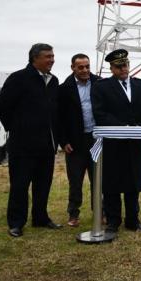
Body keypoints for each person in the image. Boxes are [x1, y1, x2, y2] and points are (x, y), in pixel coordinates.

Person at [0, 43, 62, 238]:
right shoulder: (18, 79)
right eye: (48, 56)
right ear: (35, 58)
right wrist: (16, 128)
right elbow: (2, 107)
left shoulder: (53, 81)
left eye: (53, 56)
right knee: (20, 185)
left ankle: (40, 218)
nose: (52, 60)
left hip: (46, 145)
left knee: (43, 184)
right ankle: (16, 222)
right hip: (23, 145)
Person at [92, 49, 141, 233]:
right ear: (112, 68)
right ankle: (113, 221)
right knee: (112, 182)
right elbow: (100, 113)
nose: (123, 69)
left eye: (126, 65)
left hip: (135, 142)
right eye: (119, 66)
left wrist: (139, 127)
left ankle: (133, 220)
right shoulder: (101, 87)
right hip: (114, 142)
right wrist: (122, 127)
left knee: (133, 182)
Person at [58, 53, 101, 227]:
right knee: (75, 180)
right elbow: (58, 117)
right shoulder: (64, 88)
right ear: (73, 68)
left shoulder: (100, 83)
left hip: (96, 139)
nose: (85, 70)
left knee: (97, 179)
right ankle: (73, 214)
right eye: (81, 67)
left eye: (87, 66)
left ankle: (99, 211)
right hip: (75, 142)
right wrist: (63, 141)